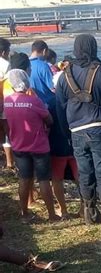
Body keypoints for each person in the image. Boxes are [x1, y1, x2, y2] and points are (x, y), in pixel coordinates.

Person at [55, 33, 101, 229]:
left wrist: (66, 132)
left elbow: (59, 108)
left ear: (75, 49)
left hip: (76, 130)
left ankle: (90, 214)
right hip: (98, 128)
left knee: (85, 172)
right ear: (93, 48)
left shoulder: (64, 75)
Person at [3, 69, 59, 222]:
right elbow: (49, 120)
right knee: (43, 180)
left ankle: (24, 213)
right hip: (39, 146)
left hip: (19, 146)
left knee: (24, 179)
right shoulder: (34, 101)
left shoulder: (7, 102)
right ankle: (52, 215)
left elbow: (5, 125)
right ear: (27, 83)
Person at [0, 37, 14, 170]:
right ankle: (10, 162)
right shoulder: (5, 64)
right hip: (3, 101)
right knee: (7, 132)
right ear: (4, 52)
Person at [29, 39, 55, 108]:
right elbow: (53, 88)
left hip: (32, 103)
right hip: (48, 103)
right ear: (44, 51)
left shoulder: (25, 64)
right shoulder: (43, 66)